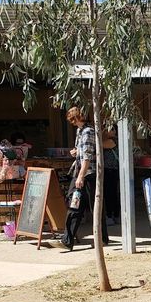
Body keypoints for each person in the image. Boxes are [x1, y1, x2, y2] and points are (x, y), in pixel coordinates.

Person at [62, 106, 108, 250]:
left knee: (94, 207)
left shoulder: (88, 132)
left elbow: (88, 157)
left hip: (88, 175)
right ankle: (67, 239)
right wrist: (76, 152)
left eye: (73, 119)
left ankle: (102, 238)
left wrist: (80, 177)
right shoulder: (80, 131)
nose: (72, 122)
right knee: (74, 204)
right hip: (80, 173)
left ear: (77, 117)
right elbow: (84, 153)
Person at [102, 128, 120, 225]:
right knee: (111, 194)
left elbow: (100, 145)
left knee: (110, 194)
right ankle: (114, 215)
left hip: (111, 170)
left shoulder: (113, 141)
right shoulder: (108, 140)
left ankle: (111, 215)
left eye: (109, 129)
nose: (106, 131)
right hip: (109, 170)